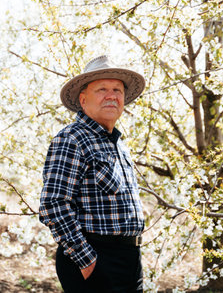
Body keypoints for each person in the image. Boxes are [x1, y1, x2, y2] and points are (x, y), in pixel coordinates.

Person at [39, 55, 146, 292]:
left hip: (129, 258)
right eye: (102, 89)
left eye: (117, 90)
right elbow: (53, 204)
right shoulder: (72, 139)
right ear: (83, 99)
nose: (112, 95)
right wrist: (88, 262)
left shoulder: (118, 143)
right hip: (95, 258)